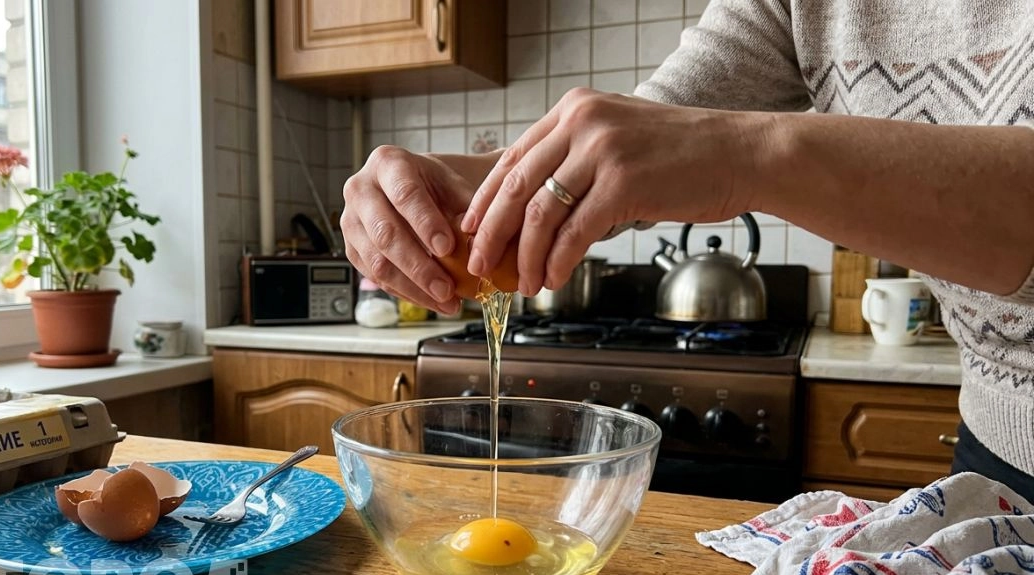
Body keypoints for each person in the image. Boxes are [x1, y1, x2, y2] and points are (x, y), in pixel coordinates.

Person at [339, 0, 1034, 500]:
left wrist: (748, 152)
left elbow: (709, 146)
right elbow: (624, 151)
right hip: (994, 448)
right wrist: (454, 192)